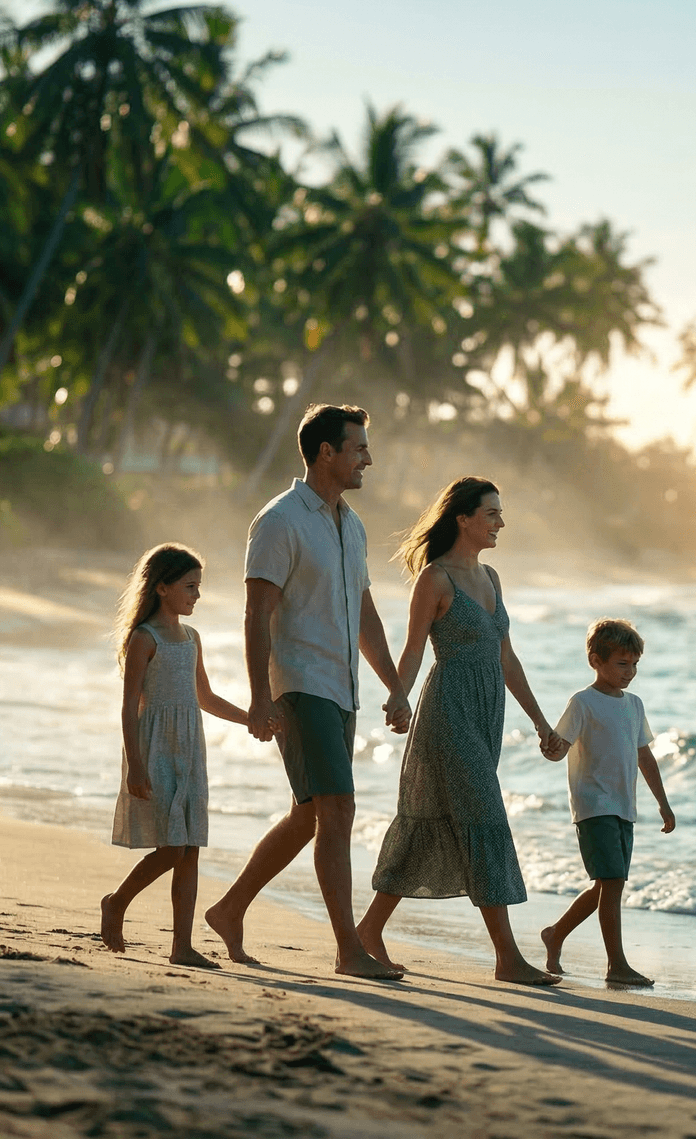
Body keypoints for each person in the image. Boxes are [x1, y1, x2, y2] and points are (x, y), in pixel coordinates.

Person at [205, 404, 411, 978]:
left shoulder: (352, 524)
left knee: (308, 815)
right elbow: (257, 612)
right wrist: (258, 697)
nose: (368, 458)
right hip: (300, 684)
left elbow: (364, 613)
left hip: (341, 687)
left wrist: (394, 685)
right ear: (327, 452)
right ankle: (349, 950)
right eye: (359, 448)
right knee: (338, 809)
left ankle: (229, 908)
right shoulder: (280, 520)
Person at [357, 476, 563, 985]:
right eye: (491, 514)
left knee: (434, 821)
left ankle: (367, 930)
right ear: (463, 518)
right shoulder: (436, 579)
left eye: (500, 513)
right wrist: (398, 695)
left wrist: (541, 722)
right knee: (485, 817)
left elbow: (506, 657)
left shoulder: (492, 578)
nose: (500, 523)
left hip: (488, 713)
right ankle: (508, 959)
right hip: (448, 711)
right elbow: (412, 650)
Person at [102, 544, 249, 965]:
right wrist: (135, 765)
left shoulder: (192, 638)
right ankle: (116, 902)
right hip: (155, 750)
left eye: (199, 586)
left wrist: (253, 720)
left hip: (190, 750)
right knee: (171, 847)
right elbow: (130, 707)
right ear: (162, 587)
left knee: (190, 847)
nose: (197, 595)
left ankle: (181, 946)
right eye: (190, 586)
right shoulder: (144, 639)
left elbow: (206, 698)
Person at [539, 618, 675, 986]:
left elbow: (645, 756)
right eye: (621, 663)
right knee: (611, 881)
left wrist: (663, 803)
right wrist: (549, 748)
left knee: (606, 885)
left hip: (624, 807)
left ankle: (555, 934)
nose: (629, 672)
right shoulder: (582, 702)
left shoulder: (634, 704)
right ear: (596, 660)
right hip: (593, 805)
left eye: (634, 664)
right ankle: (616, 964)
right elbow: (560, 747)